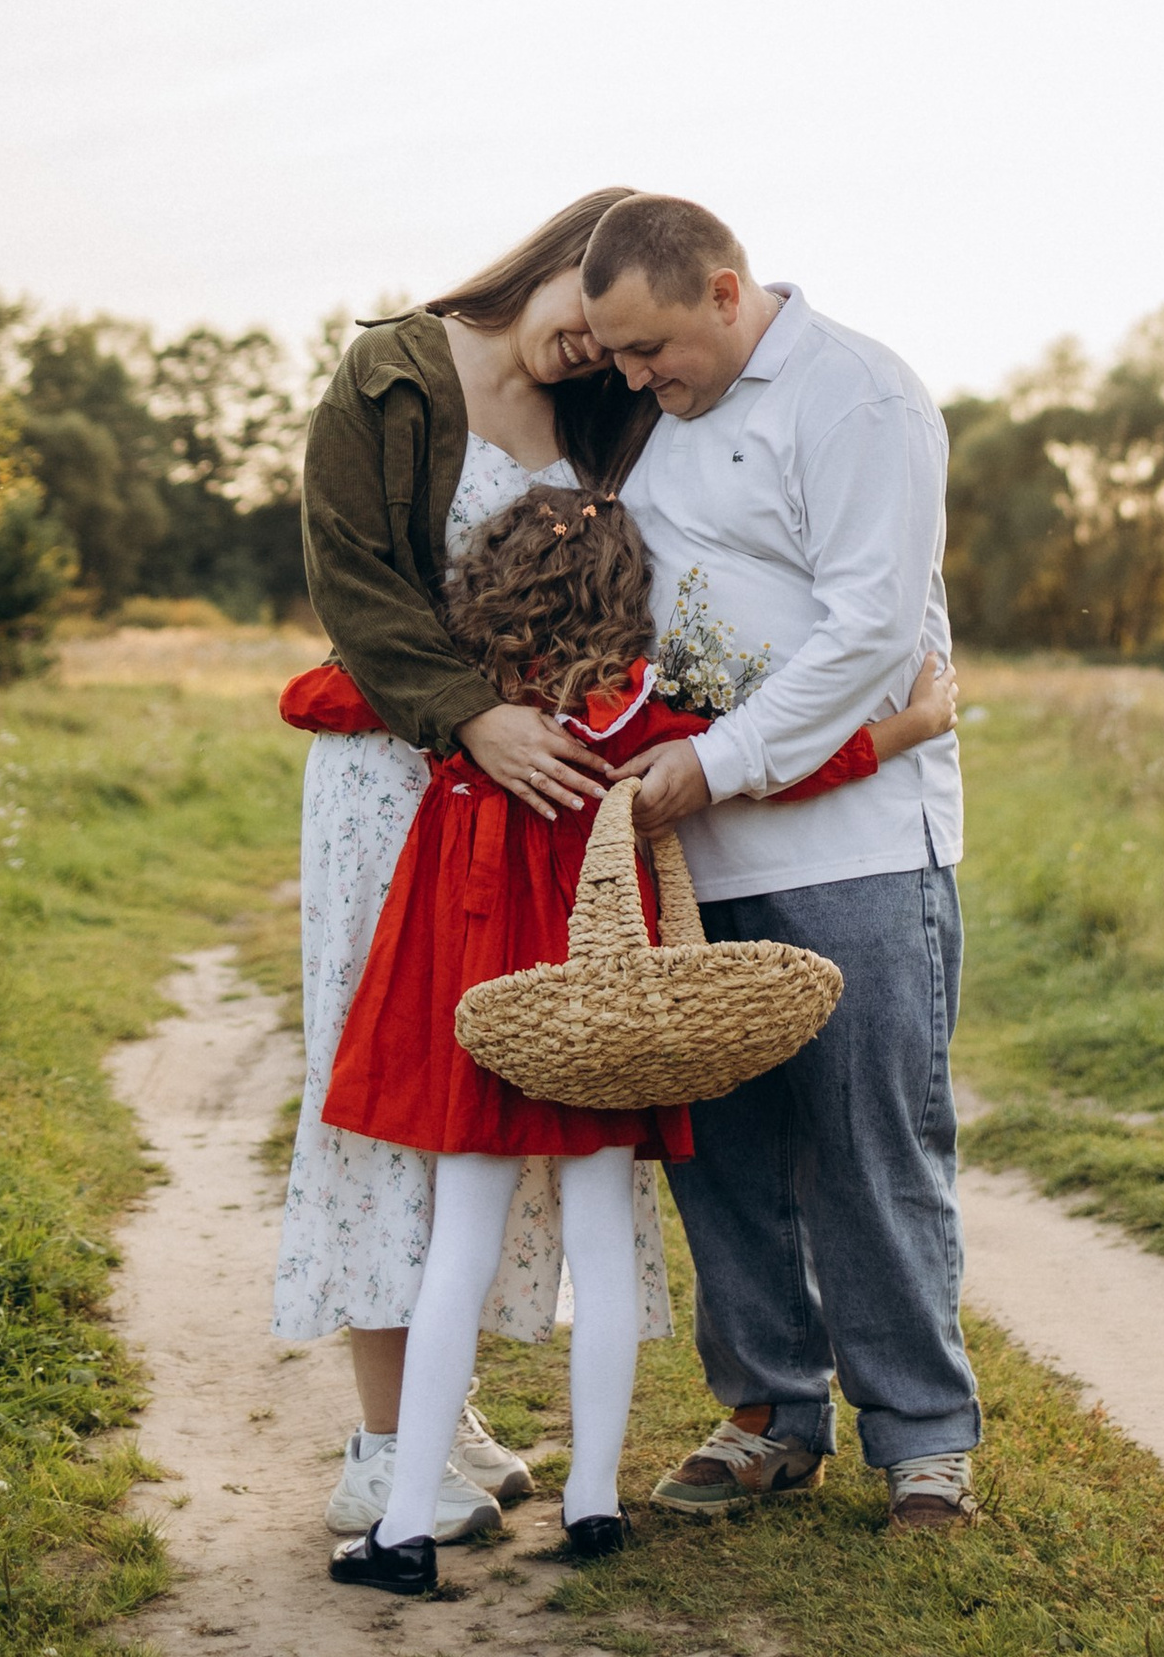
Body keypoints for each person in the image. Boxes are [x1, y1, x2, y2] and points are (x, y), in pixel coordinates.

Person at [318, 482, 949, 1594]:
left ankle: (405, 1527)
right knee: (603, 1239)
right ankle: (594, 1505)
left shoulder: (470, 713)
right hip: (599, 1001)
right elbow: (784, 760)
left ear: (488, 583)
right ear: (626, 595)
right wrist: (910, 725)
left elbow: (316, 693)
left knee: (455, 1252)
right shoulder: (636, 715)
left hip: (484, 996)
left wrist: (449, 688)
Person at [270, 187, 667, 1551]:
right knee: (399, 1081)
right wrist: (477, 718)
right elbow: (359, 586)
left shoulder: (602, 416)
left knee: (499, 1084)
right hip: (401, 779)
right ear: (561, 255)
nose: (599, 354)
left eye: (624, 345)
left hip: (528, 806)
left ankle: (442, 1411)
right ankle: (383, 1449)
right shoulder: (394, 369)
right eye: (589, 316)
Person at [582, 192, 981, 1534]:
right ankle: (766, 1412)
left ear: (722, 289)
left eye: (648, 350)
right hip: (702, 855)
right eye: (618, 360)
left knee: (871, 1143)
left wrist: (714, 760)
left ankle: (922, 1438)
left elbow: (873, 627)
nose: (634, 380)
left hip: (857, 844)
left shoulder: (857, 396)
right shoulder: (670, 425)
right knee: (724, 1149)